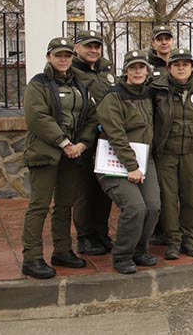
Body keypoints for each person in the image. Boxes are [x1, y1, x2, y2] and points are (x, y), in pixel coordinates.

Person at [21, 37, 98, 279]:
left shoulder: (80, 84)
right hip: (46, 153)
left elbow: (92, 117)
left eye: (67, 55)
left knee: (65, 204)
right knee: (40, 205)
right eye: (58, 55)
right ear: (49, 57)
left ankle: (62, 250)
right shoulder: (38, 84)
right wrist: (64, 143)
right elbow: (37, 117)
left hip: (73, 154)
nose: (63, 59)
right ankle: (32, 258)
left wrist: (83, 143)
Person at [98, 49, 160, 274]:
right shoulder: (113, 96)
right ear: (125, 71)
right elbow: (116, 135)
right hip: (117, 161)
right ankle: (122, 254)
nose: (137, 71)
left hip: (145, 159)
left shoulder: (149, 93)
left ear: (147, 70)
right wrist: (131, 166)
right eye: (132, 67)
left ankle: (139, 250)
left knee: (153, 207)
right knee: (135, 208)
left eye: (141, 67)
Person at [150, 48, 193, 259]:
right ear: (169, 68)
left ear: (192, 67)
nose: (181, 67)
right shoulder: (157, 90)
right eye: (177, 64)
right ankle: (173, 241)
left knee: (191, 196)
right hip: (167, 151)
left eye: (185, 64)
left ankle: (188, 238)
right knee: (168, 197)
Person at [70, 30, 116, 257]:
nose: (93, 50)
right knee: (84, 190)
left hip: (106, 140)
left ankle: (101, 232)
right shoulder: (71, 72)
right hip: (83, 139)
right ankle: (85, 237)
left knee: (104, 189)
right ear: (76, 48)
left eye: (97, 46)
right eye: (88, 46)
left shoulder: (107, 73)